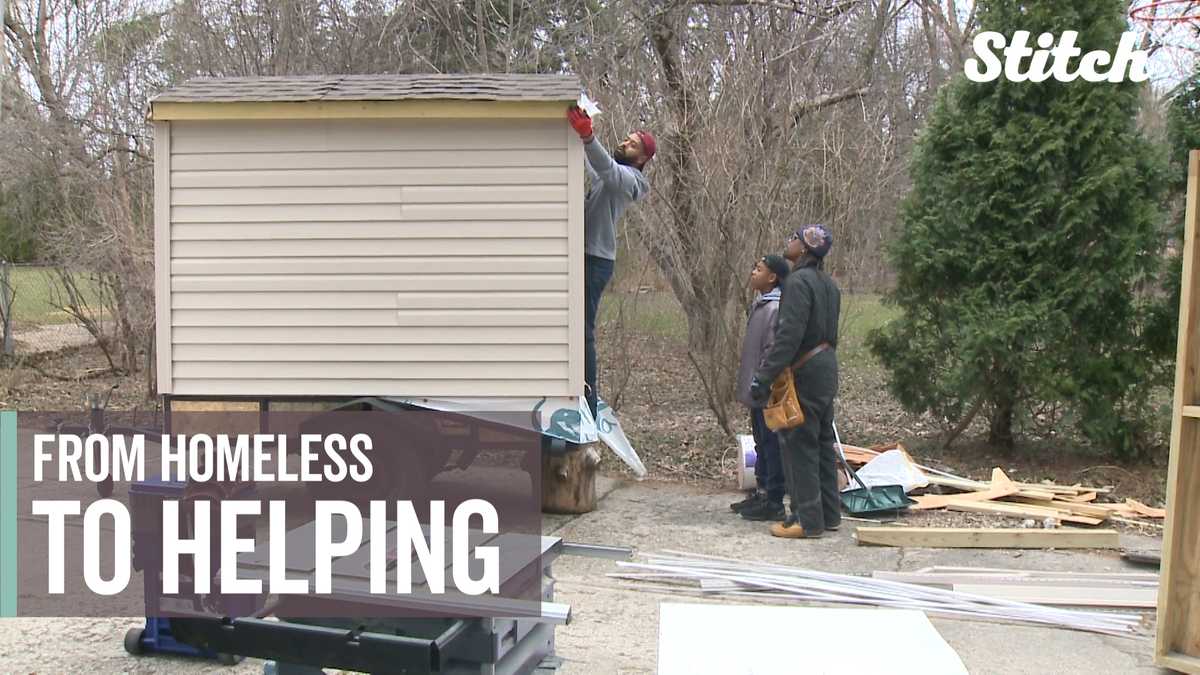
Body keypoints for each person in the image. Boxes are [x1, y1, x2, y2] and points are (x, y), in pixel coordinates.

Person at [750, 225, 841, 538]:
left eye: (794, 238)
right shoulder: (829, 284)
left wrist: (763, 376)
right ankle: (829, 515)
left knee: (799, 443)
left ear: (804, 250)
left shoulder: (798, 282)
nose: (788, 241)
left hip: (806, 369)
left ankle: (806, 520)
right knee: (822, 443)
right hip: (827, 367)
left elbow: (788, 336)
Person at [566, 105, 655, 419]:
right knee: (573, 326)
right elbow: (596, 169)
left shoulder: (631, 180)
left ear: (642, 158)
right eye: (627, 139)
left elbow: (606, 170)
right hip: (586, 255)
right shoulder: (613, 174)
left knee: (583, 330)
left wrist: (588, 136)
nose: (625, 144)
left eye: (633, 144)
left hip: (596, 260)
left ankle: (588, 402)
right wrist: (575, 140)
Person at [731, 254, 790, 521]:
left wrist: (762, 380)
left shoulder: (775, 308)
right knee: (760, 442)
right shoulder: (760, 305)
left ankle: (774, 498)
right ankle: (761, 491)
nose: (753, 273)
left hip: (765, 387)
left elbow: (771, 349)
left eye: (759, 269)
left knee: (770, 441)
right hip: (755, 386)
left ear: (772, 277)